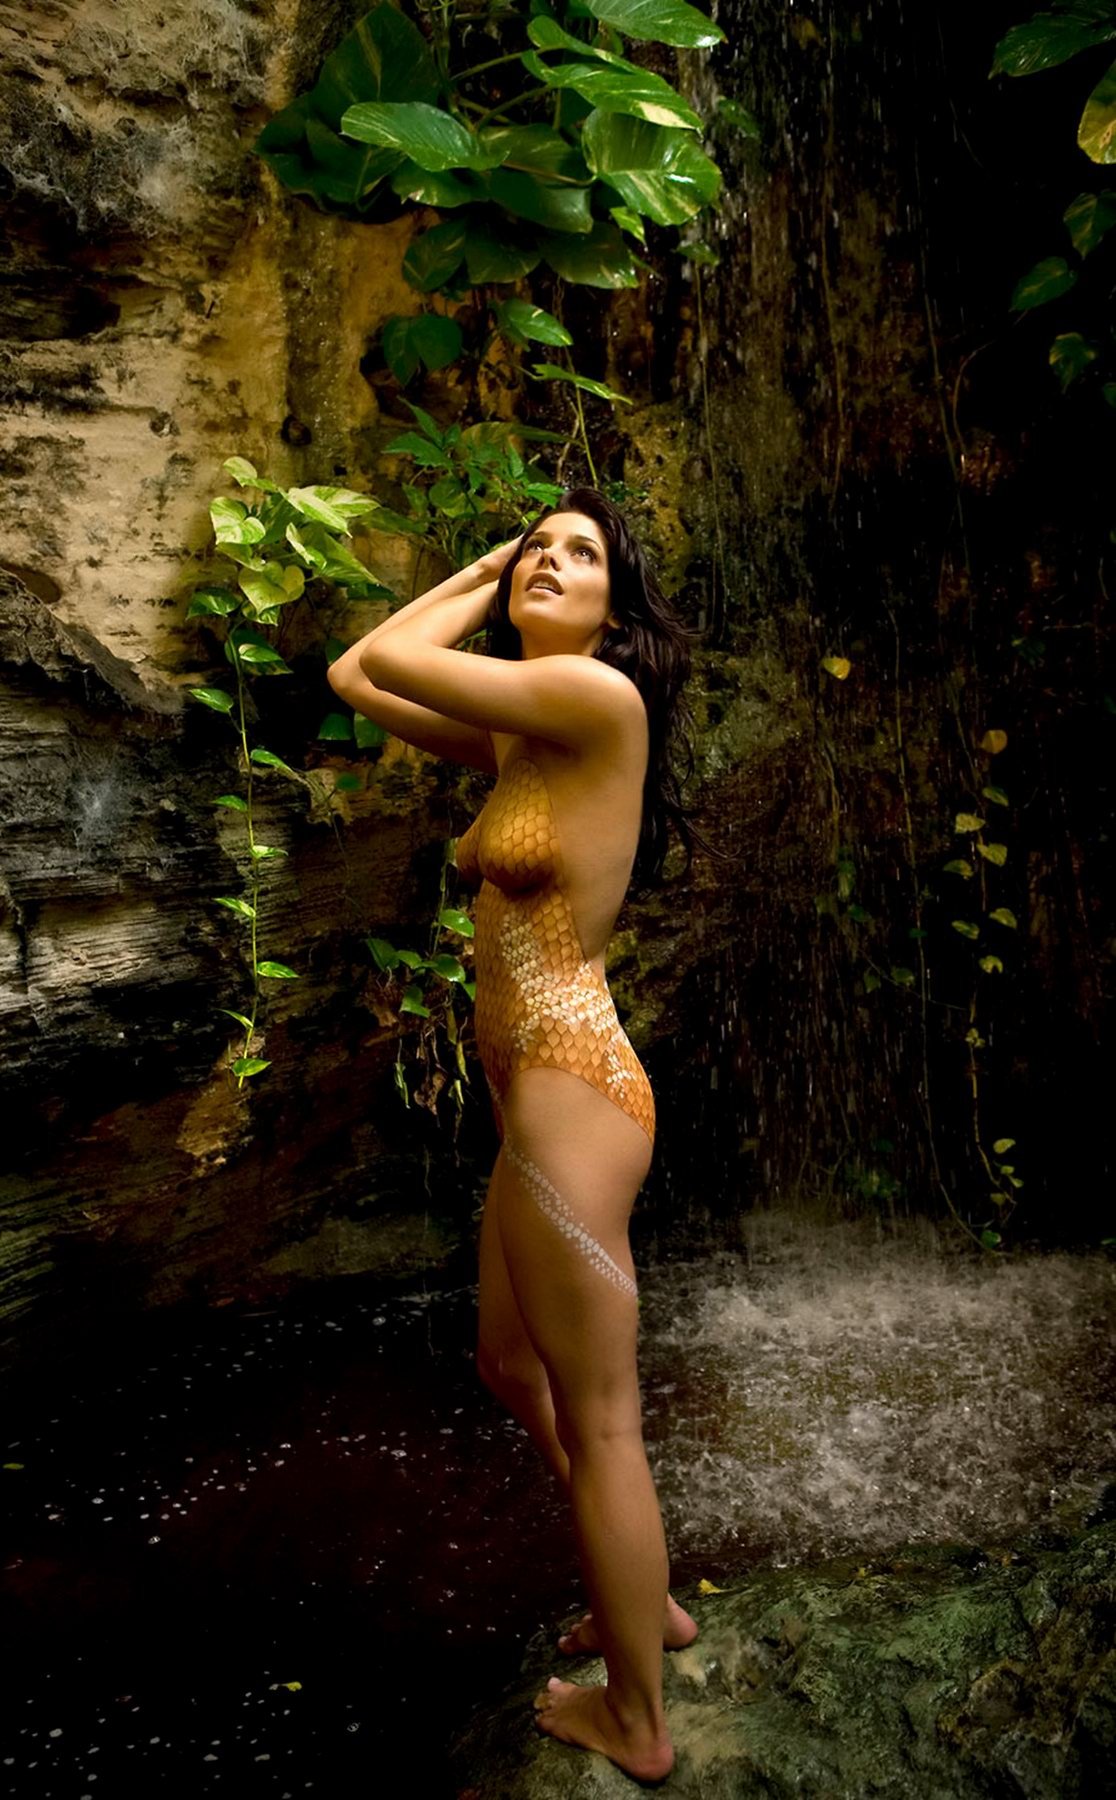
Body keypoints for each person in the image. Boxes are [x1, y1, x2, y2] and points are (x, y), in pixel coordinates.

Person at [328, 488, 697, 1782]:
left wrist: (488, 579)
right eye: (537, 545)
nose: (549, 560)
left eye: (579, 554)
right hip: (532, 1103)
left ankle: (637, 1716)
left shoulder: (596, 699)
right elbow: (354, 674)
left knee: (602, 1418)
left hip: (573, 1089)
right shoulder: (525, 733)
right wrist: (496, 567)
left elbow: (396, 654)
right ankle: (644, 1599)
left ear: (614, 609)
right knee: (506, 1365)